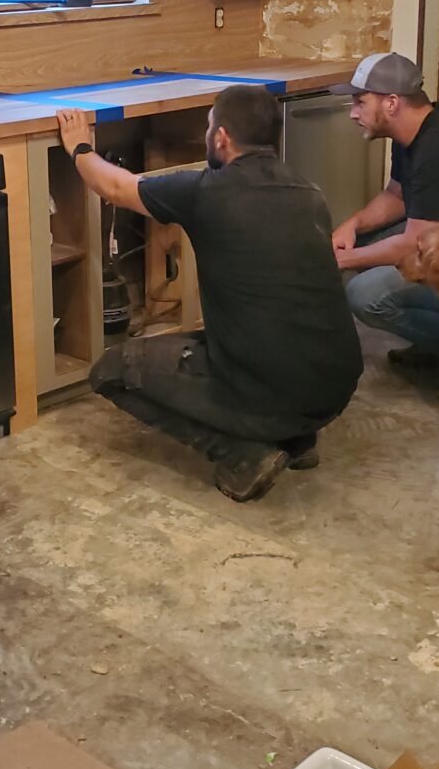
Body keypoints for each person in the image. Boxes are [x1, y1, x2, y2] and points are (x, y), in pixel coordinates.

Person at [56, 85, 362, 502]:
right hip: (336, 386)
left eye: (208, 127)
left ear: (222, 138)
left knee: (112, 371)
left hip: (275, 389)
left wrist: (79, 148)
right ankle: (298, 440)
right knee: (273, 327)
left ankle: (245, 452)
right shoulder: (309, 192)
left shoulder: (205, 192)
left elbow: (115, 188)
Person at [329, 52, 439, 369]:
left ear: (391, 103)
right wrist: (352, 225)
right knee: (364, 244)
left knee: (366, 294)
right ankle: (436, 338)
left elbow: (414, 242)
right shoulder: (409, 133)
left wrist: (341, 260)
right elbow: (399, 196)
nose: (353, 113)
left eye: (360, 102)